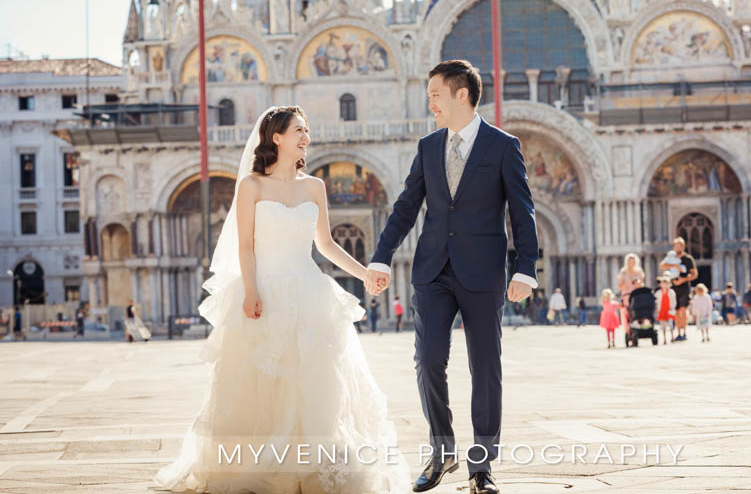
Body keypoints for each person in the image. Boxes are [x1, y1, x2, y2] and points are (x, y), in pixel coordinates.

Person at [154, 106, 410, 493]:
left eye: (307, 130)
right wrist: (252, 289)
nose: (306, 136)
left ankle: (311, 465)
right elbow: (245, 245)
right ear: (276, 137)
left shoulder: (315, 187)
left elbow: (325, 244)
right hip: (265, 290)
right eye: (298, 130)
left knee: (316, 378)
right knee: (262, 381)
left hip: (308, 290)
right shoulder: (251, 186)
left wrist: (366, 272)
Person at [365, 61, 538, 494]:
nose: (431, 104)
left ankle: (481, 467)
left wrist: (526, 269)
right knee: (428, 360)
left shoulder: (503, 146)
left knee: (485, 366)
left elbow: (522, 211)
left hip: (483, 272)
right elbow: (406, 206)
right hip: (432, 271)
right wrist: (382, 258)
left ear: (462, 94)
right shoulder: (427, 147)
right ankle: (442, 451)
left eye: (435, 95)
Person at [660, 237, 696, 341]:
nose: (677, 247)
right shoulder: (671, 257)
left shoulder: (688, 259)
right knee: (675, 311)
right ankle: (678, 332)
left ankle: (684, 332)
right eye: (675, 245)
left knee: (683, 310)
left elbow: (694, 274)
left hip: (684, 286)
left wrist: (683, 280)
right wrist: (674, 265)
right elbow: (662, 266)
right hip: (673, 287)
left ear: (683, 246)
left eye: (679, 245)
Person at [617, 253, 645, 338]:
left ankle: (639, 328)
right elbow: (619, 286)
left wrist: (638, 283)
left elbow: (642, 284)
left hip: (637, 295)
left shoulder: (639, 271)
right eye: (630, 262)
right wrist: (627, 284)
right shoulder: (623, 272)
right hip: (627, 295)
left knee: (637, 312)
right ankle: (628, 330)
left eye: (633, 262)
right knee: (627, 313)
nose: (631, 263)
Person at [655, 272, 676, 344]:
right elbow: (657, 302)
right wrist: (658, 310)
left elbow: (673, 301)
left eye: (666, 283)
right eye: (663, 283)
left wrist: (673, 308)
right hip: (662, 311)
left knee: (670, 325)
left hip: (669, 310)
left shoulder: (671, 292)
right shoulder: (658, 292)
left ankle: (672, 336)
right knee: (663, 326)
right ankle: (664, 338)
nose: (665, 285)